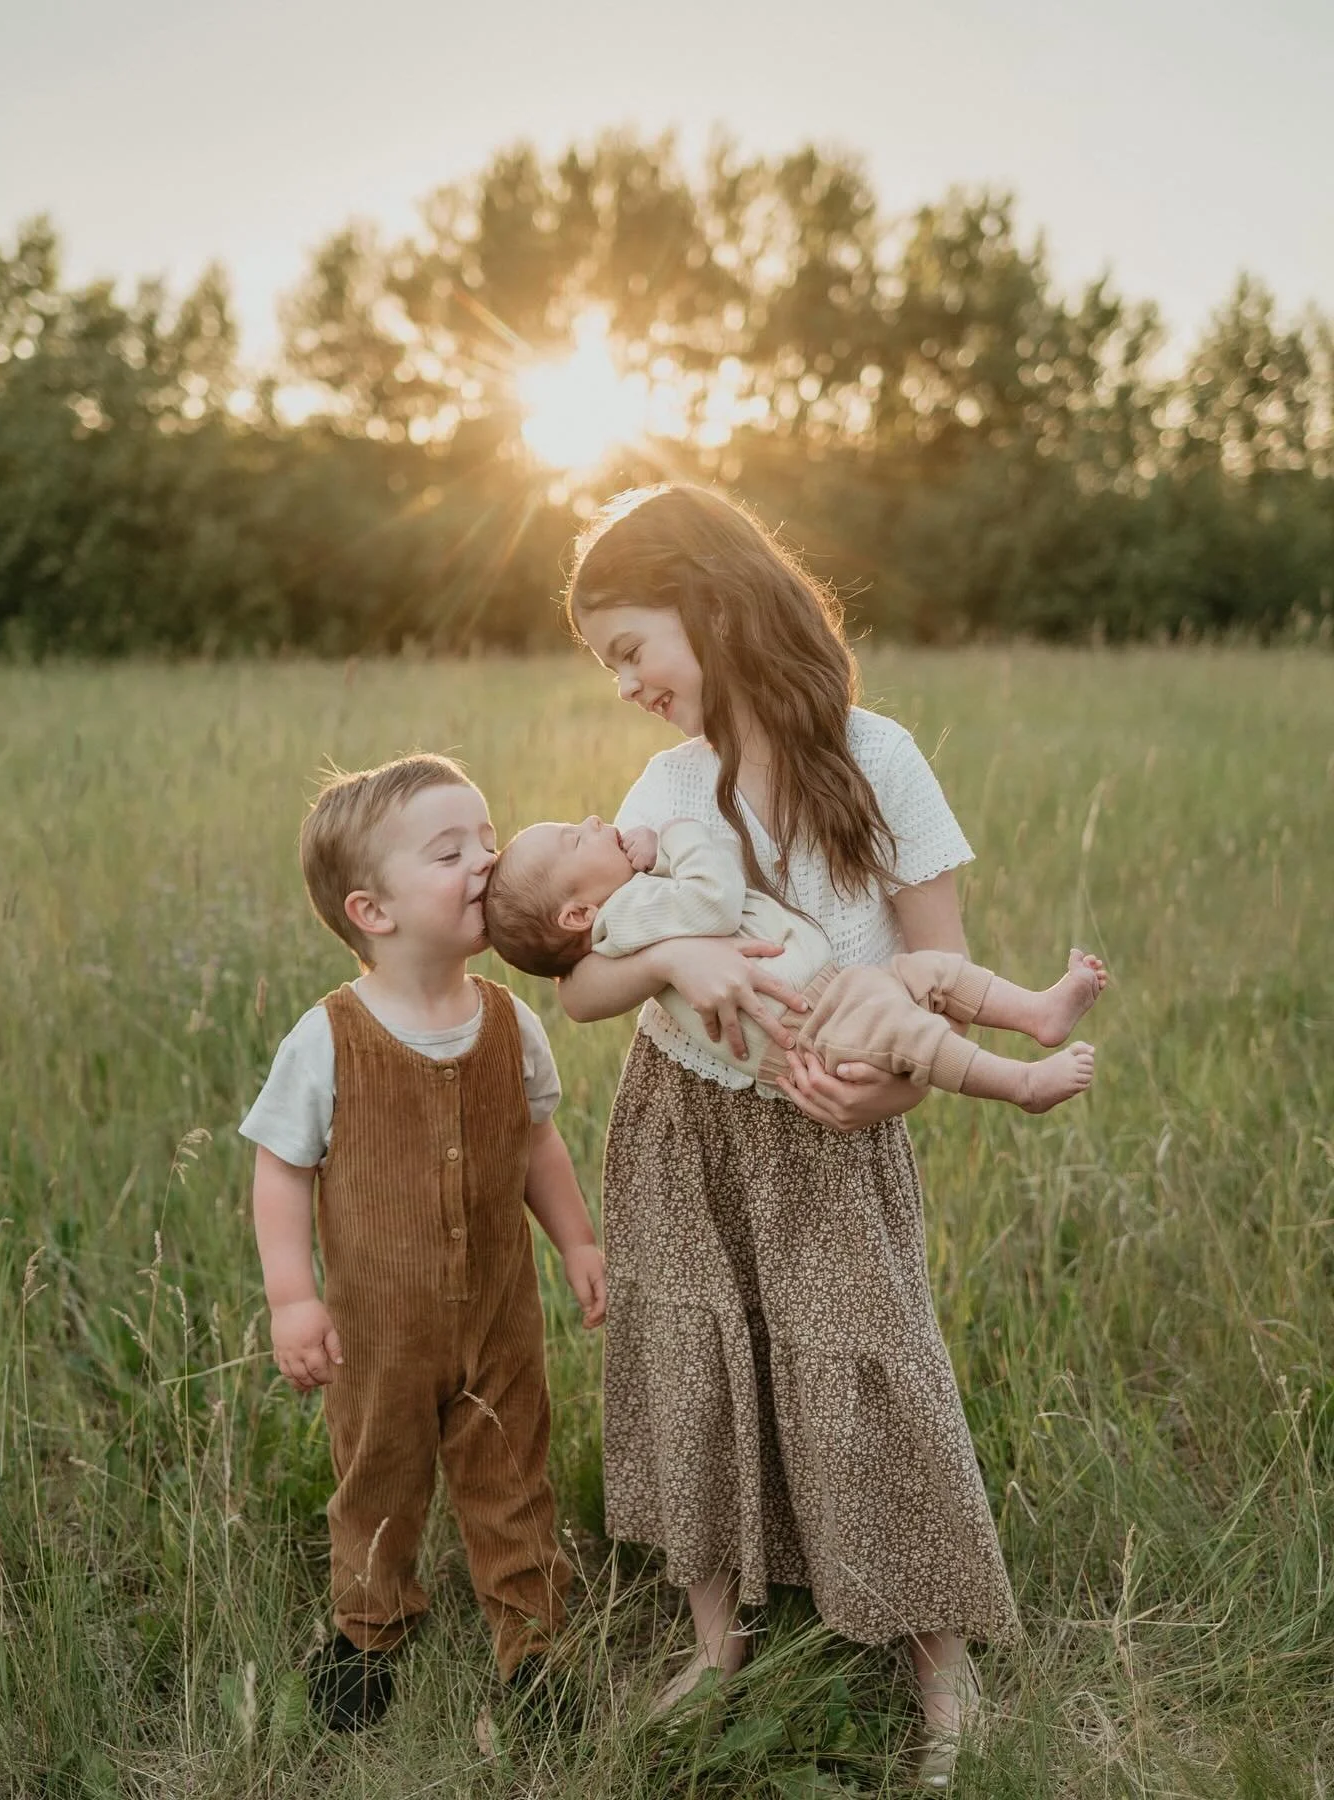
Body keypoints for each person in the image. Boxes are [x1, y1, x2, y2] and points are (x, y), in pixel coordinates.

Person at [552, 484, 1020, 1789]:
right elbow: (582, 983)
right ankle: (721, 1638)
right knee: (693, 1365)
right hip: (680, 1119)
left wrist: (902, 1093)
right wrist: (680, 955)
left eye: (630, 646)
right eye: (608, 665)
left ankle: (940, 1658)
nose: (626, 682)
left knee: (871, 1369)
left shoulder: (880, 757)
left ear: (707, 596)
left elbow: (942, 965)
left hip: (833, 1122)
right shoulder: (658, 790)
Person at [238, 754, 605, 1732]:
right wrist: (293, 1297)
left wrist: (575, 1242)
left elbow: (535, 1139)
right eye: (451, 852)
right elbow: (281, 1168)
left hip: (500, 1320)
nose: (487, 862)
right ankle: (369, 1633)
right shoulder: (329, 1038)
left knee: (512, 1479)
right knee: (379, 1478)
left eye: (488, 840)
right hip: (379, 1334)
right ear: (373, 911)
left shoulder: (509, 1022)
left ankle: (531, 1654)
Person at [484, 813, 1103, 1113]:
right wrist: (673, 834)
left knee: (933, 972)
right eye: (574, 837)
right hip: (807, 1024)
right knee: (909, 1028)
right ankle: (1020, 1084)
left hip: (829, 996)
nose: (593, 821)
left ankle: (1038, 1012)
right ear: (576, 916)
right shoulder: (626, 913)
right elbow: (714, 900)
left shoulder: (632, 903)